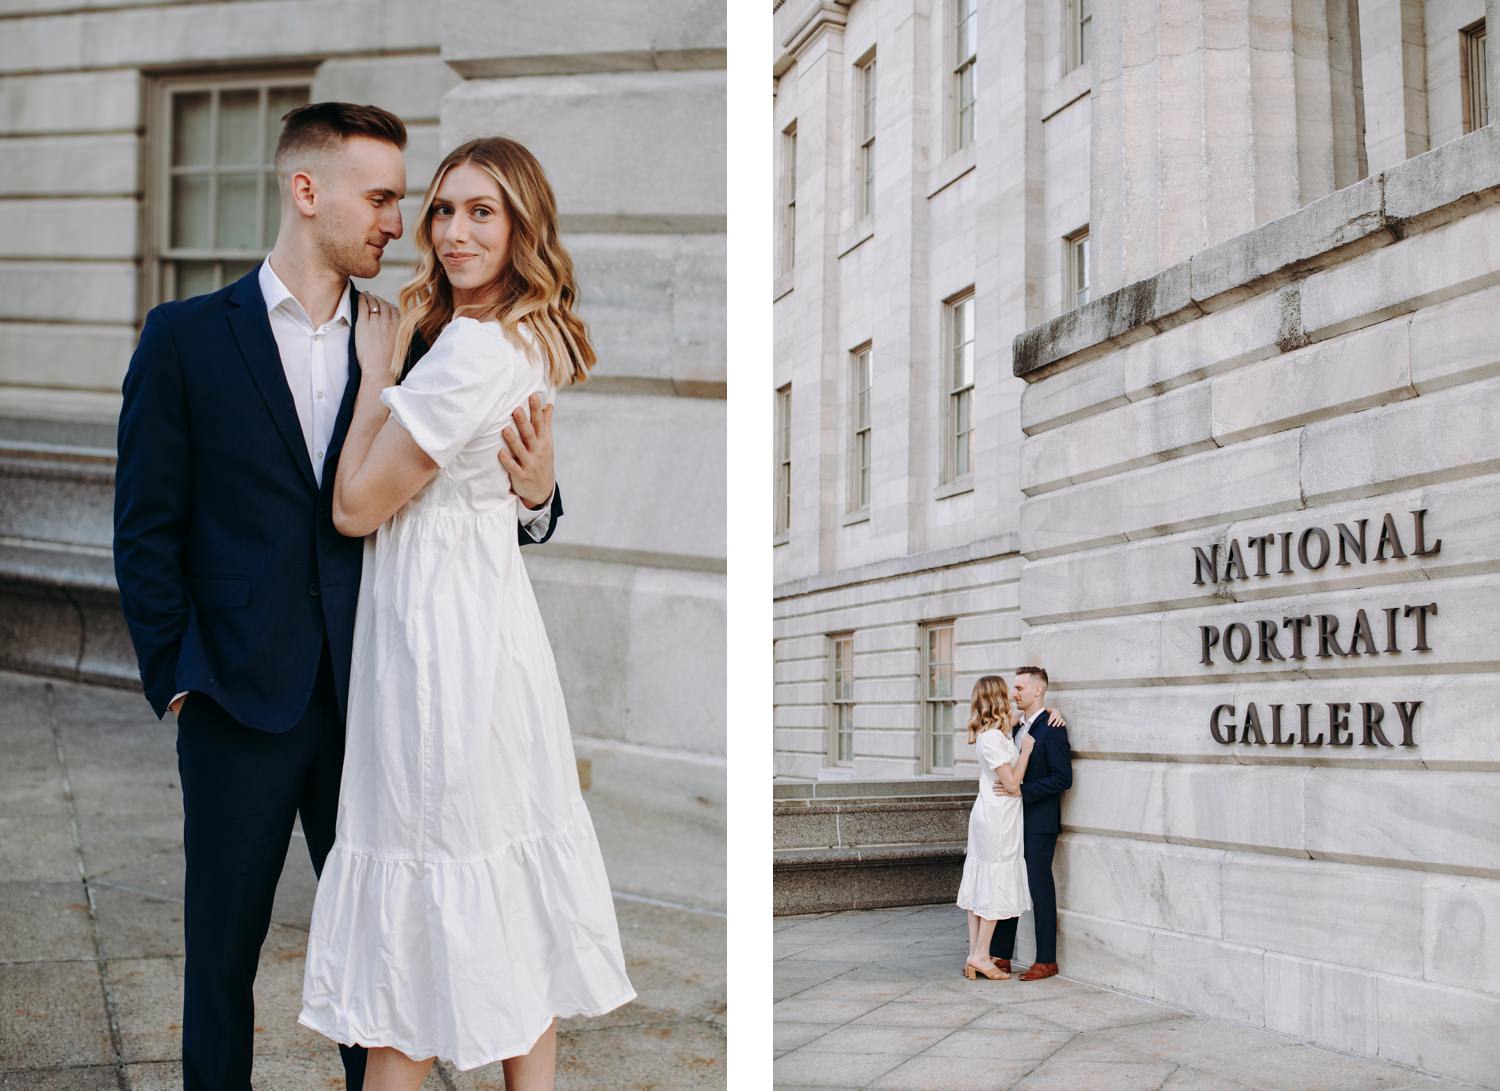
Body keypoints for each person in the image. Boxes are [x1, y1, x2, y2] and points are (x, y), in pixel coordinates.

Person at [112, 102, 564, 1091]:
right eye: (385, 198)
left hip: (381, 696)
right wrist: (178, 676)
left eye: (408, 201)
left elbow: (480, 476)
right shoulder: (185, 336)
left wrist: (541, 496)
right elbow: (145, 526)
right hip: (238, 697)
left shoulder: (412, 337)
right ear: (305, 191)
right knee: (221, 961)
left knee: (381, 948)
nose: (401, 224)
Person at [296, 136, 635, 1090]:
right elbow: (504, 491)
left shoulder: (471, 346)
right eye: (442, 209)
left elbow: (358, 505)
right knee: (502, 892)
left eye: (481, 211)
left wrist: (373, 376)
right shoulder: (502, 332)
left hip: (437, 647)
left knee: (419, 897)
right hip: (479, 628)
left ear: (522, 223)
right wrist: (532, 497)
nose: (451, 230)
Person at [988, 665, 1073, 980]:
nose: (1014, 693)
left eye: (1020, 688)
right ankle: (1001, 956)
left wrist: (1021, 792)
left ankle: (1046, 960)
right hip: (1011, 822)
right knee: (1009, 883)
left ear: (1038, 690)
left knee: (1040, 888)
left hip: (1040, 822)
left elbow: (1063, 778)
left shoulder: (1053, 728)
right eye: (1014, 688)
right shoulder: (1012, 726)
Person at [956, 675, 1034, 980]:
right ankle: (981, 955)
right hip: (998, 819)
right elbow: (1012, 784)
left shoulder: (991, 732)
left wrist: (1050, 710)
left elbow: (1020, 715)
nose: (1013, 696)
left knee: (981, 881)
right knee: (993, 881)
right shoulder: (993, 739)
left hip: (989, 814)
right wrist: (1025, 752)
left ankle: (976, 954)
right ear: (997, 698)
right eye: (1008, 692)